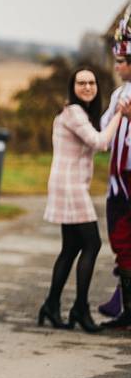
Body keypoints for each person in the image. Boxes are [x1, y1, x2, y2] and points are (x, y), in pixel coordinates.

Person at [40, 67, 126, 333]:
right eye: (81, 83)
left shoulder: (79, 113)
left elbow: (99, 132)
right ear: (72, 87)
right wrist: (121, 113)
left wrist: (113, 116)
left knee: (71, 247)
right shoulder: (74, 112)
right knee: (92, 244)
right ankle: (80, 307)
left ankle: (52, 305)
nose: (87, 87)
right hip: (70, 187)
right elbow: (100, 142)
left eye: (91, 83)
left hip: (69, 185)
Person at [100, 4, 131, 329]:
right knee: (121, 240)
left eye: (121, 61)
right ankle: (126, 305)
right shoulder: (118, 93)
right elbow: (104, 134)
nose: (117, 66)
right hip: (118, 180)